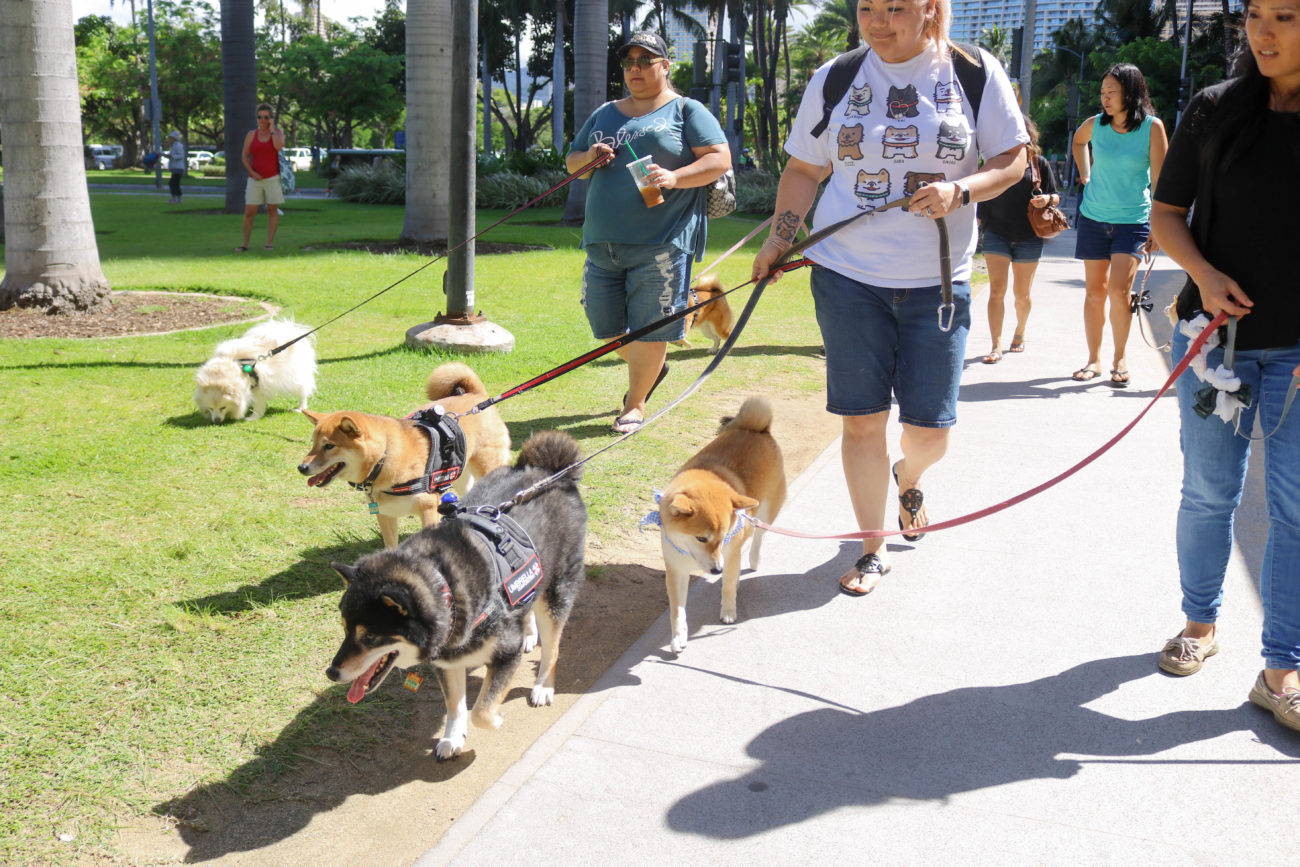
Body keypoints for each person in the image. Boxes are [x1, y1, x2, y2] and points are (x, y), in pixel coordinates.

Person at [750, 0, 1027, 595]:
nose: (878, 21)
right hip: (847, 276)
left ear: (930, 9)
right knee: (862, 422)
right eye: (867, 7)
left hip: (939, 280)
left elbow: (1012, 159)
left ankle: (910, 475)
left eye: (896, 7)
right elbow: (804, 169)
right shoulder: (838, 77)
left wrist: (961, 190)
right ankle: (872, 548)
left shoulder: (973, 70)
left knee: (931, 431)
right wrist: (779, 237)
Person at [1149, 0, 1300, 732]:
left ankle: (1281, 669)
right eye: (1256, 15)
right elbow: (1167, 211)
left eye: (1288, 16)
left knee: (1296, 512)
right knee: (1208, 492)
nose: (1265, 32)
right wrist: (1203, 276)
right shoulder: (1213, 109)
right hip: (1215, 347)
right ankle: (1199, 625)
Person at [565, 32, 731, 435]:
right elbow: (572, 163)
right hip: (603, 241)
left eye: (645, 60)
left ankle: (634, 405)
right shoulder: (606, 112)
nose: (635, 68)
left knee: (652, 326)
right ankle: (650, 369)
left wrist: (674, 176)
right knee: (604, 326)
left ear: (665, 65)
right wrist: (590, 156)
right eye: (628, 62)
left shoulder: (686, 110)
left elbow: (719, 158)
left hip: (663, 241)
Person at [1070, 63, 1168, 386]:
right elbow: (1077, 142)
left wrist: (1158, 225)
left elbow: (1160, 181)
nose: (1105, 99)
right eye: (1103, 93)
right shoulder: (1096, 125)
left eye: (1111, 92)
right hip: (1094, 218)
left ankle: (1119, 357)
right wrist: (1085, 175)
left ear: (1132, 92)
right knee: (1094, 292)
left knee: (1118, 290)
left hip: (1133, 221)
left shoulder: (1152, 128)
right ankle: (1093, 360)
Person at [976, 115, 1059, 363]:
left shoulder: (1038, 163)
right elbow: (983, 195)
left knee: (1022, 294)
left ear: (1027, 134)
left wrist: (1047, 200)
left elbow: (1055, 195)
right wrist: (977, 227)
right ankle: (996, 345)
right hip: (996, 233)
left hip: (1028, 236)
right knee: (996, 291)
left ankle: (1020, 331)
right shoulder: (992, 162)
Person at [237, 104, 285, 252]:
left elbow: (279, 147)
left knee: (272, 210)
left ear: (271, 118)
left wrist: (272, 131)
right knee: (250, 211)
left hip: (272, 178)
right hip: (255, 179)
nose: (262, 120)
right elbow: (244, 157)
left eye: (266, 117)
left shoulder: (278, 132)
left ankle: (269, 243)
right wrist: (253, 172)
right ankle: (244, 244)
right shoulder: (251, 135)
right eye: (260, 117)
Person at [166, 130, 186, 204]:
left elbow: (181, 156)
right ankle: (178, 198)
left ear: (175, 138)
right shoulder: (173, 146)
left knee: (172, 183)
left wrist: (172, 156)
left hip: (178, 168)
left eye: (171, 138)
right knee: (176, 183)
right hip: (175, 167)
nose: (169, 139)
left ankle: (174, 198)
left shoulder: (178, 146)